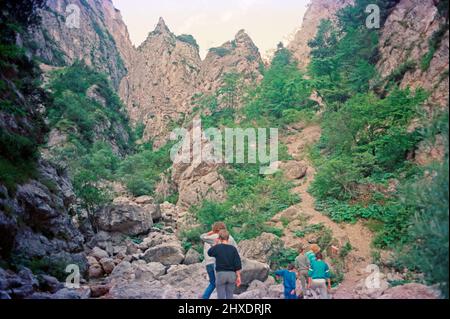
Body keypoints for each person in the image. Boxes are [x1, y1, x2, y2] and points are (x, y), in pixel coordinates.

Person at [200, 222, 238, 299]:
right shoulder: (225, 238)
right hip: (217, 263)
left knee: (213, 283)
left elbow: (202, 237)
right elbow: (236, 250)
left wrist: (210, 232)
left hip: (208, 264)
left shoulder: (208, 238)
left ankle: (205, 297)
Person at [207, 230, 242, 299]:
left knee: (221, 296)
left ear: (219, 238)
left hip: (221, 274)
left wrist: (216, 244)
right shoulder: (233, 249)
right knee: (230, 296)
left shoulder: (217, 248)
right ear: (228, 238)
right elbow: (237, 264)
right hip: (231, 275)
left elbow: (209, 253)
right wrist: (238, 277)